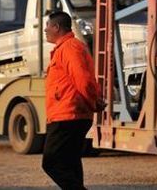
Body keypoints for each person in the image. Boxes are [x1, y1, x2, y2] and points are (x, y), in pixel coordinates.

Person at [41, 10, 104, 189]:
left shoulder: (70, 47)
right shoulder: (67, 48)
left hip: (68, 115)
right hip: (69, 114)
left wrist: (93, 102)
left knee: (51, 162)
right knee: (70, 162)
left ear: (56, 27)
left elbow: (83, 79)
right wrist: (93, 101)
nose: (45, 30)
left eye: (47, 26)